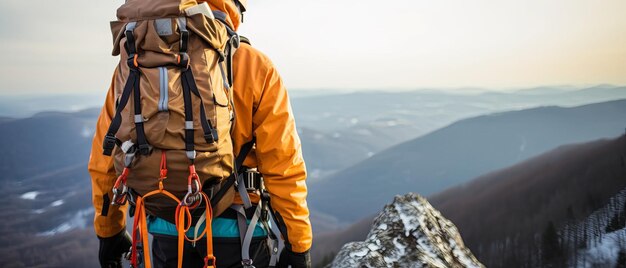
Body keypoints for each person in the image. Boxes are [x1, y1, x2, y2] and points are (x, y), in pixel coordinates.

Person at [88, 0, 312, 267]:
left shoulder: (133, 64)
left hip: (166, 226)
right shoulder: (252, 64)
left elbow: (105, 158)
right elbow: (283, 163)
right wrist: (299, 244)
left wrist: (108, 231)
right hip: (239, 230)